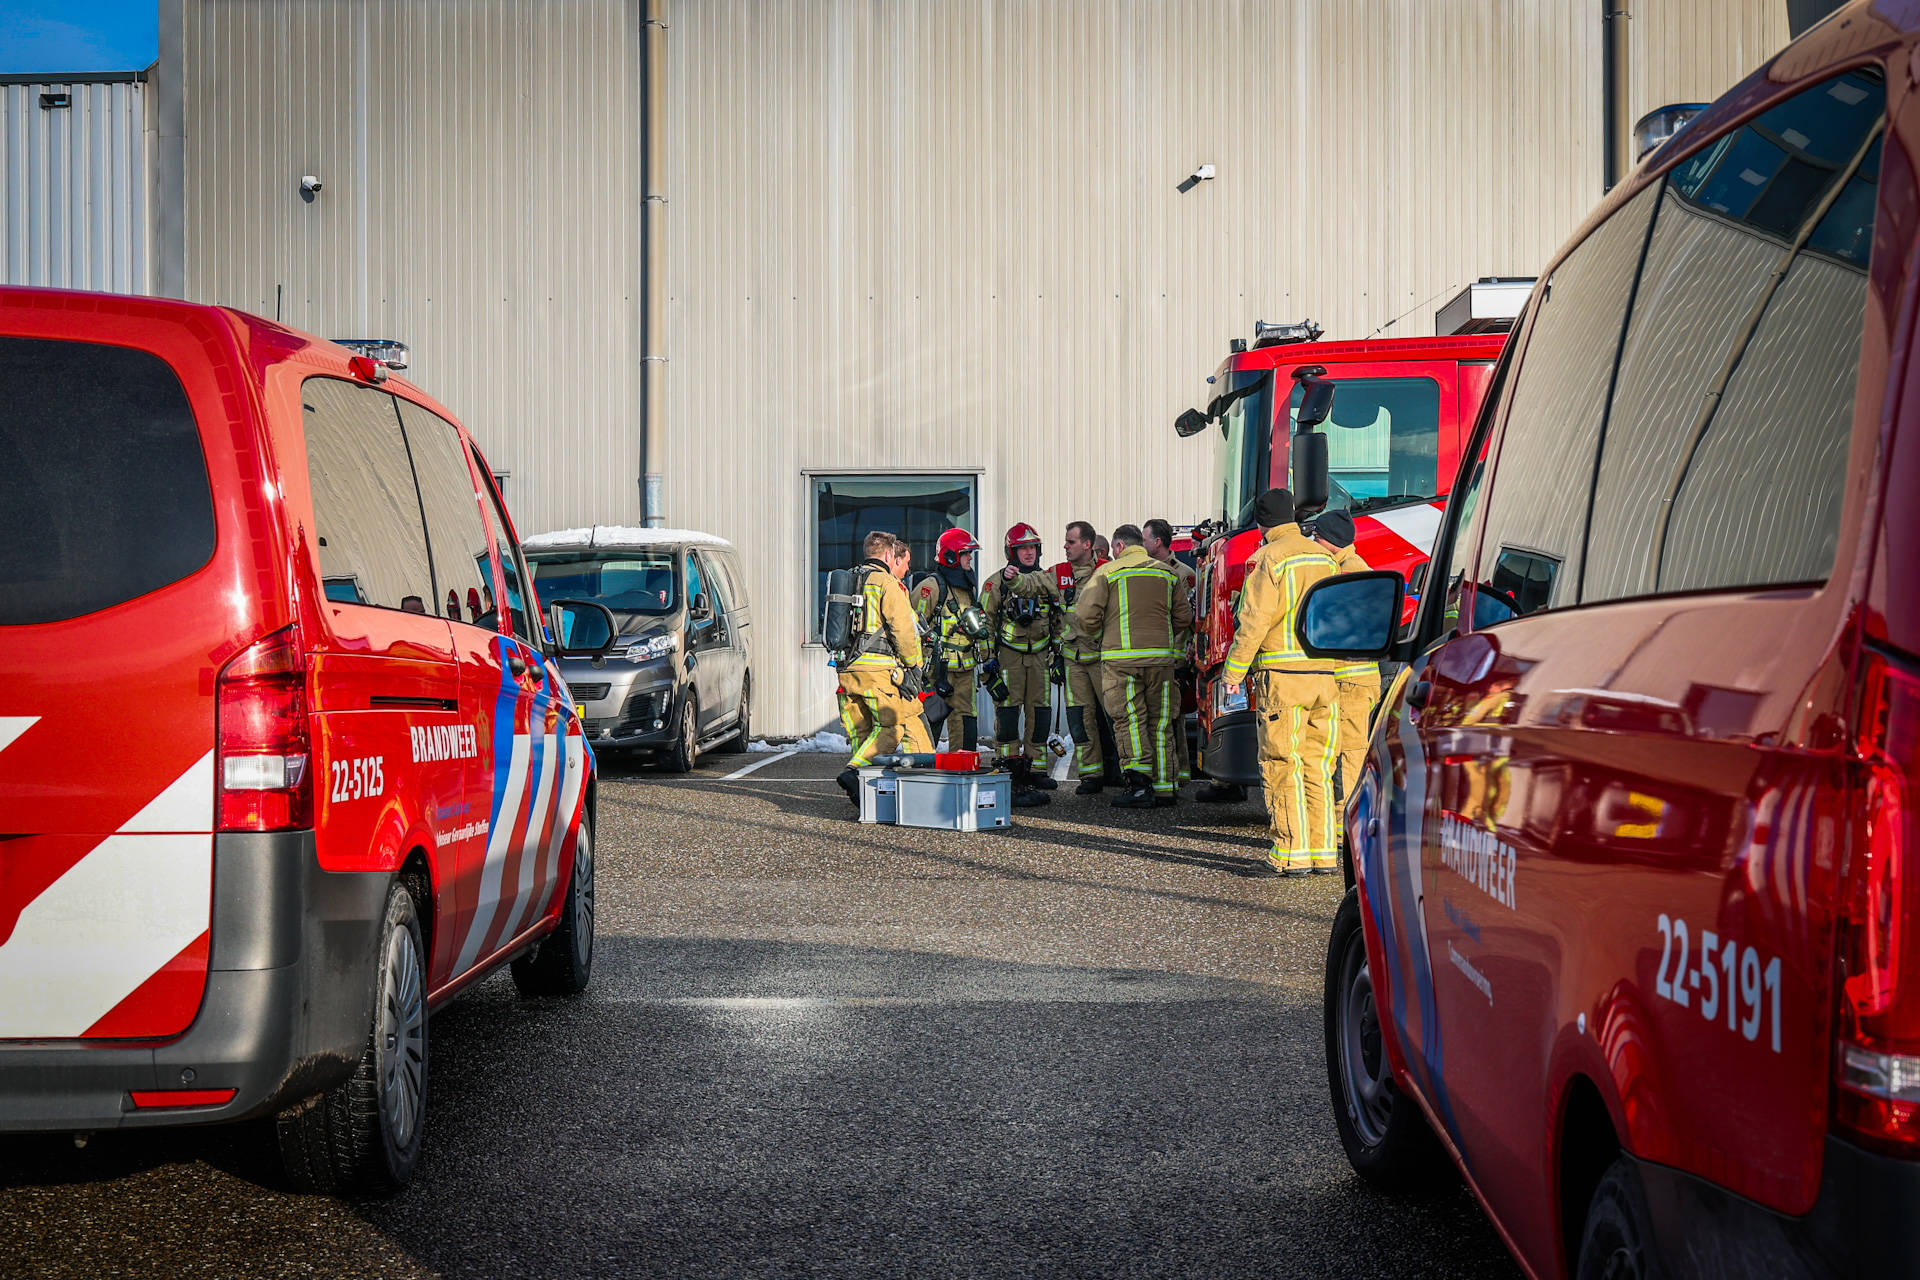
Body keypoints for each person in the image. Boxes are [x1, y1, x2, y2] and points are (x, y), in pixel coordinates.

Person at [1221, 489, 1338, 876]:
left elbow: (1254, 622)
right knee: (1317, 766)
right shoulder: (1325, 556)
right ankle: (1324, 853)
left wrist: (1233, 674)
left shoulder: (1269, 558)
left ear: (1261, 523)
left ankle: (1289, 854)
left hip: (1284, 680)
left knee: (1280, 763)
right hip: (1325, 676)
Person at [1075, 524, 1191, 808]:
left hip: (1122, 661)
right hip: (1162, 661)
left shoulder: (1107, 572)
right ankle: (1165, 788)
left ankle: (1139, 786)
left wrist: (1102, 634)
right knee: (1161, 722)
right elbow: (1184, 617)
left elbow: (1085, 614)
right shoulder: (1168, 572)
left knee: (1130, 720)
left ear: (1118, 547)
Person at [835, 531, 934, 804]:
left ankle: (864, 796)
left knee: (862, 732)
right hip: (876, 672)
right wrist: (913, 665)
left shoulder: (850, 579)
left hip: (846, 670)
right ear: (889, 555)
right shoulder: (886, 583)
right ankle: (855, 773)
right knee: (891, 728)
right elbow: (903, 629)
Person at [981, 522, 1064, 799]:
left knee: (1040, 715)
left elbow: (1058, 619)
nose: (1029, 553)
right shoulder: (995, 583)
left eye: (1032, 548)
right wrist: (988, 663)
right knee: (1007, 715)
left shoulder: (1047, 581)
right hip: (1008, 658)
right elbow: (984, 625)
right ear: (1011, 552)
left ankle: (1036, 770)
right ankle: (1007, 767)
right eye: (1022, 549)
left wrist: (1059, 656)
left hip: (1040, 657)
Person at [1312, 510, 1381, 808]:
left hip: (1352, 680)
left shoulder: (1346, 573)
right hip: (1353, 679)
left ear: (1331, 542)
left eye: (1317, 538)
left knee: (1351, 750)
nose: (1313, 543)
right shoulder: (1349, 566)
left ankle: (1347, 820)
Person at [1053, 520, 1111, 794]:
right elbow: (1033, 583)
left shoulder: (1106, 572)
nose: (1065, 546)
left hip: (1102, 657)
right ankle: (1091, 776)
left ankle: (1126, 773)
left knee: (1116, 717)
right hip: (1073, 658)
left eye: (1071, 542)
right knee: (1080, 717)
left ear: (1087, 545)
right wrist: (1012, 578)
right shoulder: (1059, 572)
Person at [1142, 518, 1198, 789]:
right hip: (1152, 655)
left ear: (1157, 542)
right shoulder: (1144, 570)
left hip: (1173, 657)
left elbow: (1185, 620)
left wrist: (1181, 659)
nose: (1141, 545)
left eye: (1144, 540)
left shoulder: (1183, 573)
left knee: (1173, 719)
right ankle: (1166, 772)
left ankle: (1181, 773)